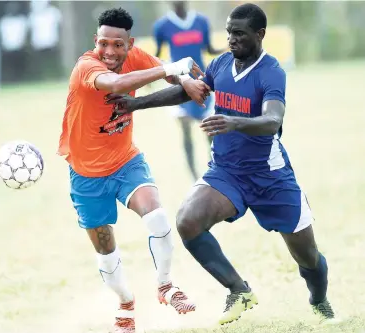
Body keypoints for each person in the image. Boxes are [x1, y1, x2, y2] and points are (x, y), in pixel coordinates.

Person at [106, 3, 338, 326]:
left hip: (271, 178)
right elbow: (187, 93)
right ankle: (239, 290)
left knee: (309, 259)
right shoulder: (220, 63)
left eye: (239, 34)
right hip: (227, 173)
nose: (231, 40)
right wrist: (136, 103)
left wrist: (234, 122)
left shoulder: (271, 72)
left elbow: (273, 119)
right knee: (188, 221)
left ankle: (320, 299)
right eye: (228, 33)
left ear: (260, 34)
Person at [57, 8, 208, 333]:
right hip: (86, 175)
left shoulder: (136, 56)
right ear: (95, 41)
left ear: (130, 43)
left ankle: (166, 286)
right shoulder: (87, 67)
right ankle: (125, 302)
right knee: (106, 253)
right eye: (103, 44)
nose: (109, 52)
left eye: (117, 45)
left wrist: (185, 79)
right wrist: (172, 68)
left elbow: (169, 75)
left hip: (126, 162)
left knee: (157, 216)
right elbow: (117, 82)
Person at [153, 1, 225, 180]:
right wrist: (149, 75)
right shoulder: (162, 26)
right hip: (179, 83)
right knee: (186, 129)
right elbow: (157, 55)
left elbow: (209, 49)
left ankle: (214, 170)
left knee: (210, 128)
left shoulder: (201, 21)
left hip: (203, 81)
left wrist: (230, 49)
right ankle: (194, 176)